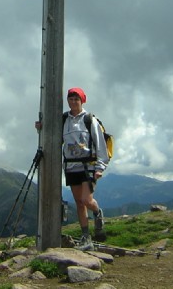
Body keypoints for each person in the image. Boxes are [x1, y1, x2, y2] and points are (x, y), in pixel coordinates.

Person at [62, 87, 109, 250]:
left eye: (77, 99)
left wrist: (100, 166)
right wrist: (40, 126)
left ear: (82, 101)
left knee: (86, 200)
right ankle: (85, 237)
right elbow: (50, 132)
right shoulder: (63, 120)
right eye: (71, 99)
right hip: (70, 165)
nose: (73, 102)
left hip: (88, 165)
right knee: (78, 203)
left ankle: (97, 212)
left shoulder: (90, 120)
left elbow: (100, 143)